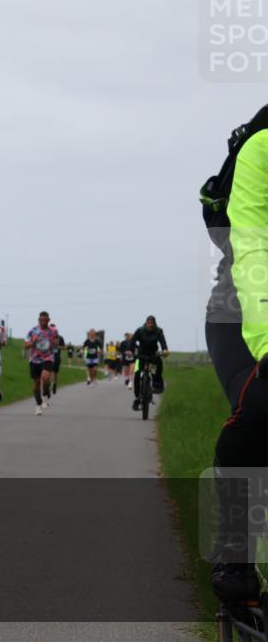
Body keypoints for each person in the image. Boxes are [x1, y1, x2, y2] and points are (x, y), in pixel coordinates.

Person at [205, 105, 268, 602]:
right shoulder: (262, 146)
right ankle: (234, 551)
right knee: (259, 409)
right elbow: (253, 249)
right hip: (242, 311)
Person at [130, 316, 169, 411]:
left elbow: (162, 342)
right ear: (146, 323)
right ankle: (137, 397)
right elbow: (132, 341)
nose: (150, 324)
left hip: (152, 355)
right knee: (137, 374)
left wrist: (164, 349)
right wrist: (130, 350)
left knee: (156, 366)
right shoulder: (140, 330)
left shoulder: (158, 331)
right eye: (148, 322)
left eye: (152, 323)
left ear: (154, 323)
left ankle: (157, 384)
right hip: (140, 356)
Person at [24, 311, 58, 415]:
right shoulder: (33, 331)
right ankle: (38, 405)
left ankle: (45, 394)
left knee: (45, 377)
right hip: (35, 359)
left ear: (48, 320)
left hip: (47, 358)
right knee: (36, 383)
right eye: (41, 320)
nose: (43, 322)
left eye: (45, 320)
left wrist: (54, 344)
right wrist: (33, 342)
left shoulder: (53, 331)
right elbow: (26, 346)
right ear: (38, 320)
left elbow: (55, 344)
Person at [50, 324, 65, 395]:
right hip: (48, 356)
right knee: (49, 370)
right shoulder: (47, 336)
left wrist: (57, 346)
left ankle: (54, 383)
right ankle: (49, 384)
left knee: (55, 372)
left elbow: (64, 347)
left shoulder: (60, 338)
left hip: (57, 356)